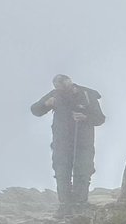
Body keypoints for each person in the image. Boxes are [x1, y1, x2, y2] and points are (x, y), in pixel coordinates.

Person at [30, 74, 106, 212]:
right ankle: (65, 205)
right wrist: (46, 104)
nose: (60, 91)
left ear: (70, 83)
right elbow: (35, 110)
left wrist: (85, 117)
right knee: (61, 172)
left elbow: (100, 119)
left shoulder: (87, 94)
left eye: (62, 87)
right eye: (58, 88)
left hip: (83, 142)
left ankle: (80, 204)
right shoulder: (55, 95)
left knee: (83, 171)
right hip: (61, 142)